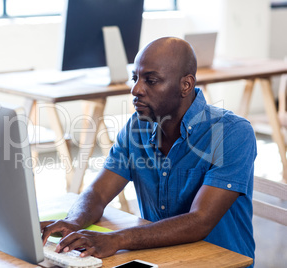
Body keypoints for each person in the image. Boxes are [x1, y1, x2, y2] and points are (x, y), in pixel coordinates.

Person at [40, 37, 256, 264]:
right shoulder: (137, 126)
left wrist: (118, 239)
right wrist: (74, 221)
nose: (136, 89)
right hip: (160, 258)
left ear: (186, 85)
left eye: (151, 80)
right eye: (135, 78)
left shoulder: (232, 133)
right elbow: (98, 193)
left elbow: (200, 220)